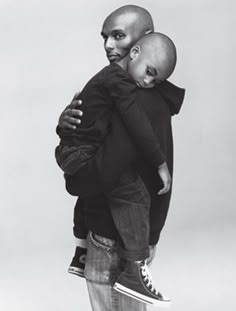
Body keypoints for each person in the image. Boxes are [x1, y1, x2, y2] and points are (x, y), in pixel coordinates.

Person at [57, 5, 185, 311]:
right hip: (119, 236)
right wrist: (65, 125)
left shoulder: (136, 99)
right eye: (105, 37)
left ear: (144, 40)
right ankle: (82, 251)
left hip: (113, 241)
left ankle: (87, 253)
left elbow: (103, 172)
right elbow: (89, 132)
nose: (108, 46)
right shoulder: (132, 89)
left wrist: (74, 179)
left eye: (118, 36)